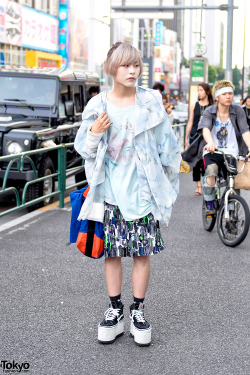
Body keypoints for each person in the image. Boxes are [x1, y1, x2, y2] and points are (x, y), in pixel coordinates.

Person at [74, 42, 181, 346]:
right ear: (112, 68)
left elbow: (168, 146)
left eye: (136, 65)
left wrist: (169, 186)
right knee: (112, 252)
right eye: (125, 65)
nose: (132, 70)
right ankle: (114, 308)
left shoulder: (149, 102)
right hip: (109, 192)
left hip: (144, 191)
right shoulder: (98, 105)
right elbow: (83, 150)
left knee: (142, 252)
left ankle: (138, 309)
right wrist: (94, 133)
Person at [198, 80, 250, 214]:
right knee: (211, 170)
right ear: (217, 96)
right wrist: (209, 142)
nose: (228, 96)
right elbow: (205, 129)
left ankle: (232, 213)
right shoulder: (210, 111)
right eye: (224, 94)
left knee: (233, 181)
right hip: (213, 151)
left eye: (230, 94)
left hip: (232, 153)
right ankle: (209, 201)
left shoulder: (238, 110)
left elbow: (245, 131)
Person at [185, 83, 214, 196]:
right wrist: (186, 137)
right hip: (195, 136)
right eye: (198, 90)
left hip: (207, 137)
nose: (199, 92)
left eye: (201, 90)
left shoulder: (212, 106)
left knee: (206, 161)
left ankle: (208, 183)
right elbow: (191, 121)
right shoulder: (194, 105)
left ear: (207, 92)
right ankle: (198, 186)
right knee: (196, 162)